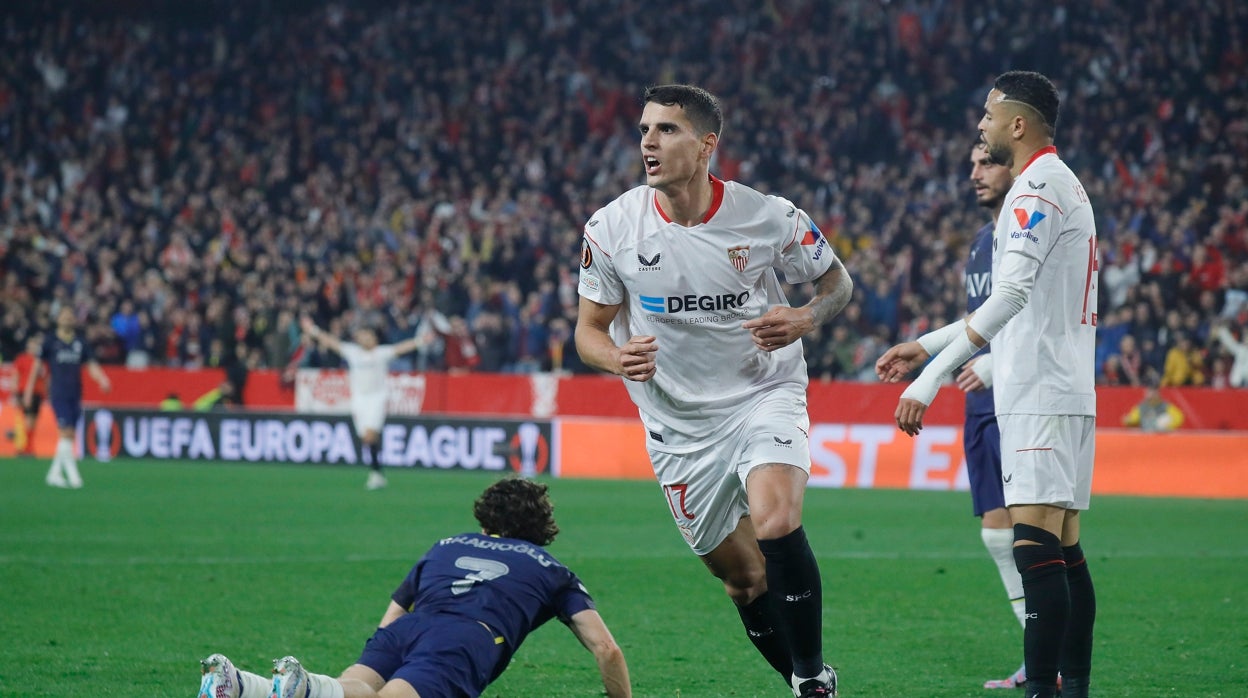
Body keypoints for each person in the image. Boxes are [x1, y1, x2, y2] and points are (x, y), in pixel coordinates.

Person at [574, 84, 853, 697]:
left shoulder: (770, 216)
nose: (648, 141)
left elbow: (837, 284)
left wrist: (806, 318)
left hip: (763, 393)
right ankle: (808, 678)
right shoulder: (611, 227)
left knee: (777, 520)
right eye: (644, 129)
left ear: (706, 147)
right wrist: (619, 358)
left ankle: (810, 680)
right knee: (744, 581)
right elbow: (587, 333)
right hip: (677, 426)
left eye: (666, 130)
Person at [876, 71, 1097, 698]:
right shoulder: (1056, 183)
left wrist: (930, 378)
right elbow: (1013, 299)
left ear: (1018, 125)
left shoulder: (1035, 189)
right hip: (1060, 388)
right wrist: (927, 343)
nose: (982, 124)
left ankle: (1045, 692)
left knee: (1035, 551)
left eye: (989, 114)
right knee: (1062, 550)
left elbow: (1013, 295)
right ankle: (1071, 689)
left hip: (1039, 392)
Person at [197, 477, 631, 698]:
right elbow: (606, 649)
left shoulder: (446, 545)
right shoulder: (551, 569)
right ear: (542, 527)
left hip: (408, 629)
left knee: (352, 689)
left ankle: (245, 684)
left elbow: (392, 617)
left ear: (484, 522)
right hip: (464, 640)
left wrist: (392, 647)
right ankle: (305, 687)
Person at [957, 142, 1029, 690]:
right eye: (974, 165)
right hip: (980, 404)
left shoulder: (1027, 236)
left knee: (1040, 536)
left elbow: (1038, 319)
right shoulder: (982, 244)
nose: (975, 174)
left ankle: (1053, 657)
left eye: (988, 163)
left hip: (1022, 398)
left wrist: (997, 364)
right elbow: (976, 323)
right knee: (996, 534)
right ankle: (1037, 651)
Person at [301, 317, 424, 490]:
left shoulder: (381, 353)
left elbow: (401, 348)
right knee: (365, 439)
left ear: (374, 338)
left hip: (377, 398)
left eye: (368, 336)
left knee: (370, 435)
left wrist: (420, 341)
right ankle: (378, 472)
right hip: (359, 399)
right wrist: (313, 330)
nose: (365, 339)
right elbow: (331, 342)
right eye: (362, 336)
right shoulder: (353, 352)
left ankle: (376, 474)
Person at [22, 307, 112, 488]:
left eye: (71, 317)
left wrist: (102, 379)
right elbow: (36, 367)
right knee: (66, 432)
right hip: (58, 393)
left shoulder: (80, 343)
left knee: (68, 436)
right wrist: (28, 390)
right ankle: (74, 476)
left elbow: (91, 365)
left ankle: (54, 474)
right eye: (65, 316)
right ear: (58, 319)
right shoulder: (50, 342)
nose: (68, 319)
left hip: (75, 394)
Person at [11, 334, 47, 456]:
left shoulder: (40, 361)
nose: (33, 347)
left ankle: (28, 447)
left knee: (34, 420)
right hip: (24, 391)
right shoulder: (21, 358)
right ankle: (26, 447)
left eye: (35, 345)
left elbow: (44, 377)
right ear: (27, 345)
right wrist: (15, 393)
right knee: (27, 419)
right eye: (32, 344)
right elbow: (16, 375)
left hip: (38, 392)